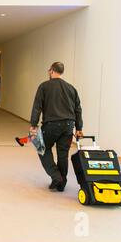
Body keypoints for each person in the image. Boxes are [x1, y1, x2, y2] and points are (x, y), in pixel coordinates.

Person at [30, 62, 84, 192]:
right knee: (63, 154)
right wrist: (79, 128)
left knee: (41, 147)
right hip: (68, 126)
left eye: (49, 70)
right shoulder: (71, 88)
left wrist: (33, 125)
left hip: (52, 125)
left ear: (52, 71)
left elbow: (37, 106)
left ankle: (56, 176)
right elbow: (78, 109)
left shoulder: (44, 86)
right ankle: (61, 182)